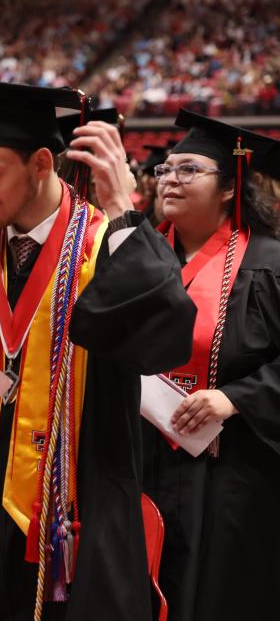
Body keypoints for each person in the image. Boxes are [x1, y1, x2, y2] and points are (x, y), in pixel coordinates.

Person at [0, 78, 195, 621]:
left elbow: (164, 338)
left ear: (42, 163)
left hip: (77, 523)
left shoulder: (106, 247)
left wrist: (120, 207)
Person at [144, 109, 280, 621]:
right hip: (145, 461)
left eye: (188, 169)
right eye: (165, 169)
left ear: (229, 187)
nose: (170, 180)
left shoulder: (269, 265)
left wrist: (236, 397)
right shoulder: (142, 258)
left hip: (234, 475)